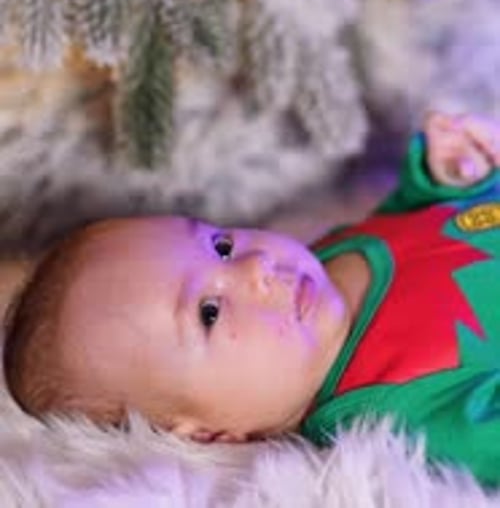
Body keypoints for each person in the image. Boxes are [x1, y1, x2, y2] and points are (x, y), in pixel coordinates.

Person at [3, 110, 500, 486]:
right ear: (207, 434)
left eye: (220, 245)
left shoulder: (327, 257)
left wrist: (446, 179)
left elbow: (415, 228)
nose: (254, 269)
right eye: (210, 313)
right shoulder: (387, 410)